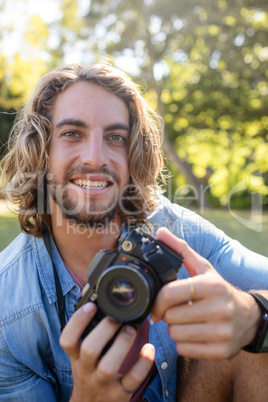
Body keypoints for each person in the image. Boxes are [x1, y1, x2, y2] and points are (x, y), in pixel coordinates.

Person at [0, 63, 267, 402]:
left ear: (133, 153)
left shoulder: (176, 235)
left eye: (116, 138)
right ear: (41, 151)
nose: (95, 158)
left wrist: (255, 319)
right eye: (72, 134)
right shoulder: (8, 310)